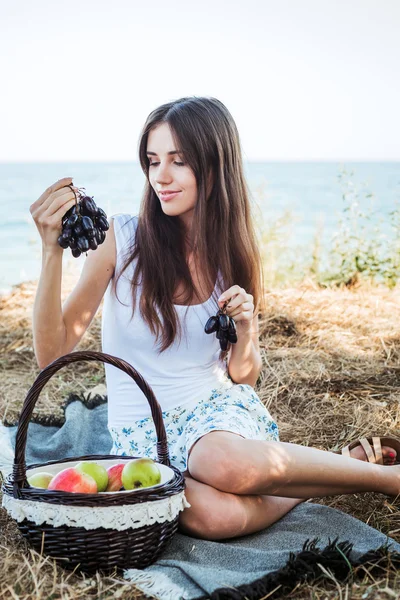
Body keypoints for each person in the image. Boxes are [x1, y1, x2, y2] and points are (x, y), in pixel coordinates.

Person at [30, 96, 400, 542]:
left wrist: (247, 331)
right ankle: (341, 467)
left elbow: (242, 377)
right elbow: (51, 354)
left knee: (222, 463)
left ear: (213, 166)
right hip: (141, 432)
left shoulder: (231, 256)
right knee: (213, 519)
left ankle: (388, 482)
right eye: (152, 160)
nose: (160, 176)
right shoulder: (121, 239)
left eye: (178, 161)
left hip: (213, 416)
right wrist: (51, 251)